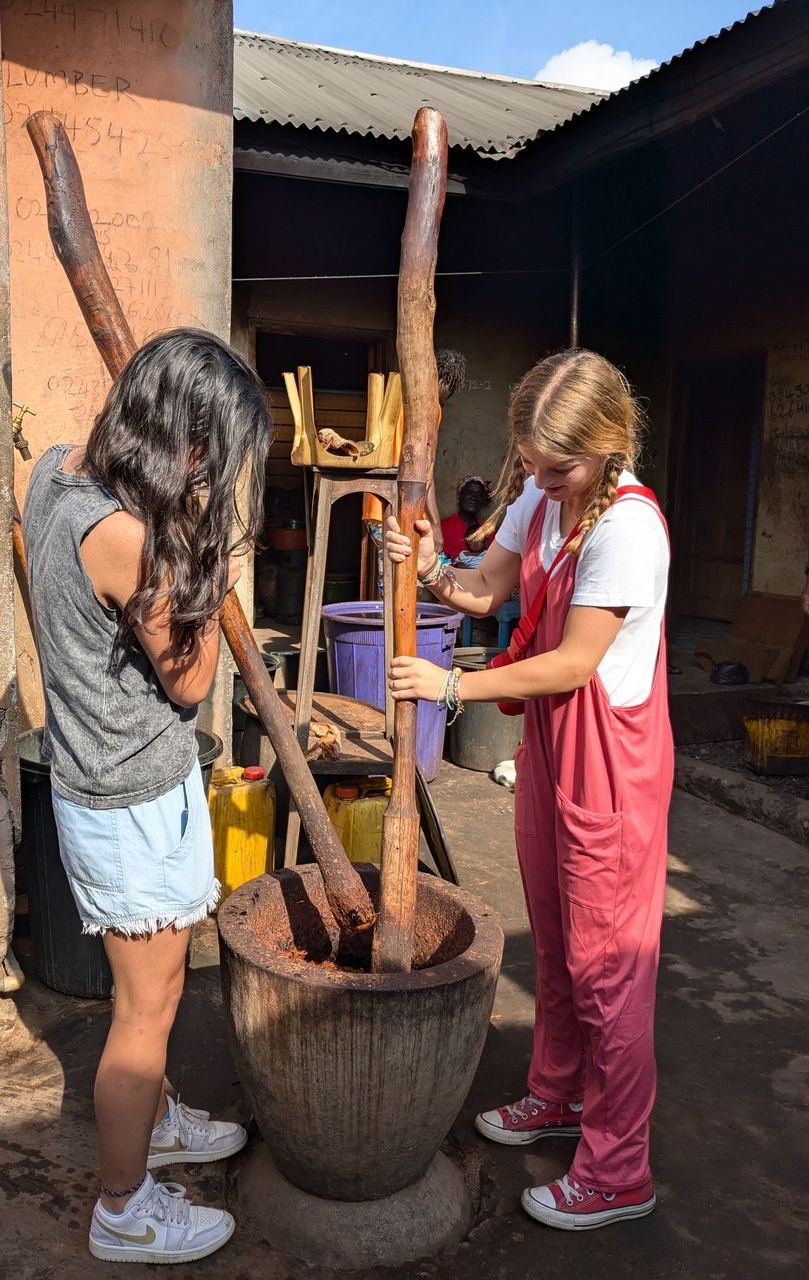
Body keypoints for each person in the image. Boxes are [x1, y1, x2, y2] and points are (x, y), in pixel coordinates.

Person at [385, 349, 672, 1231]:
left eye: (562, 467)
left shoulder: (627, 527)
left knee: (608, 969)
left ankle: (619, 1168)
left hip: (609, 763)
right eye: (535, 465)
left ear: (610, 444)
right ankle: (557, 1092)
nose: (545, 482)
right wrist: (431, 568)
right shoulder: (546, 502)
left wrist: (449, 688)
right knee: (554, 935)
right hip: (552, 745)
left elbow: (575, 661)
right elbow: (484, 591)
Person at [22, 329, 272, 1265]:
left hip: (100, 782)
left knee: (156, 991)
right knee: (146, 1012)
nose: (215, 474)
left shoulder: (55, 474)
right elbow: (191, 682)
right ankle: (123, 1206)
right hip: (130, 798)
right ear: (187, 444)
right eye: (215, 454)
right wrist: (214, 565)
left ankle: (157, 1120)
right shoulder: (132, 541)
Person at [362, 348, 467, 573]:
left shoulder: (400, 396)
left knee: (388, 577)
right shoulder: (430, 407)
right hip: (402, 508)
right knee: (413, 575)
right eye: (450, 388)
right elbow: (425, 469)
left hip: (375, 502)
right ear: (444, 381)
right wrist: (437, 526)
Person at [440, 474, 491, 563]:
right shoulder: (444, 527)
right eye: (469, 493)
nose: (474, 498)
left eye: (479, 494)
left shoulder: (488, 529)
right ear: (460, 496)